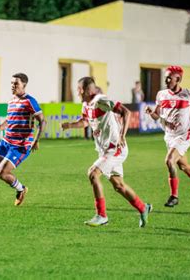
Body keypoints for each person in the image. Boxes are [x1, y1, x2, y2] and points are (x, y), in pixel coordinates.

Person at [61, 77, 152, 227]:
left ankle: (102, 215)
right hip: (104, 150)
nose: (77, 91)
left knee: (93, 173)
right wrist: (70, 125)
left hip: (115, 148)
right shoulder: (86, 105)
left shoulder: (101, 100)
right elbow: (85, 122)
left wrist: (122, 135)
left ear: (88, 90)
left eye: (79, 89)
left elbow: (126, 112)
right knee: (119, 186)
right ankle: (143, 208)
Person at [0, 73, 45, 207]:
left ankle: (21, 189)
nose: (13, 86)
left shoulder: (30, 101)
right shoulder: (11, 101)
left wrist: (36, 140)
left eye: (16, 83)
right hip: (6, 142)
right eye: (12, 83)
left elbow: (42, 121)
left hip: (20, 146)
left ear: (24, 85)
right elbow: (10, 120)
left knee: (1, 172)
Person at [145, 66, 190, 207]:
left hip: (183, 135)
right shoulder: (161, 94)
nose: (166, 80)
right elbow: (156, 116)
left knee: (169, 161)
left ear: (178, 79)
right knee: (183, 167)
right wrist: (150, 112)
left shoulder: (188, 94)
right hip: (169, 136)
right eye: (166, 77)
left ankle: (174, 196)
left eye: (169, 77)